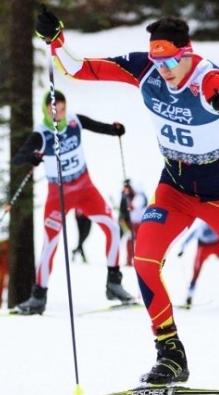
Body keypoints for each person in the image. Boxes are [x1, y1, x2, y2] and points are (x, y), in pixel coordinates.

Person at [35, 9, 219, 395]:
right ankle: (170, 354)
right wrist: (55, 39)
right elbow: (77, 69)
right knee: (144, 259)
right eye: (158, 60)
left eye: (171, 60)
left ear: (187, 53)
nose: (165, 68)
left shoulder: (209, 79)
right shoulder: (147, 70)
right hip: (174, 188)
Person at [11, 90, 135, 315]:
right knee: (50, 244)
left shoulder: (75, 122)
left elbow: (99, 126)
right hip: (58, 194)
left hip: (85, 188)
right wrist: (32, 157)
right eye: (53, 110)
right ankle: (38, 297)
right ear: (46, 110)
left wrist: (114, 129)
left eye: (62, 108)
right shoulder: (42, 133)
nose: (58, 114)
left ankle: (114, 284)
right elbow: (18, 159)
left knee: (113, 228)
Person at [119, 179, 148, 266]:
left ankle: (137, 260)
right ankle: (129, 260)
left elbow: (133, 206)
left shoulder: (141, 197)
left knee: (137, 242)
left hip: (138, 223)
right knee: (131, 240)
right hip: (131, 222)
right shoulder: (132, 195)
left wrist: (129, 203)